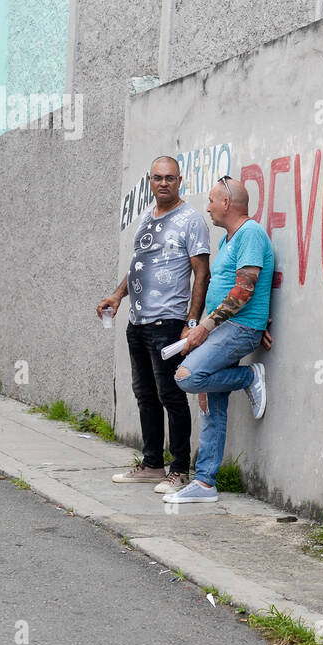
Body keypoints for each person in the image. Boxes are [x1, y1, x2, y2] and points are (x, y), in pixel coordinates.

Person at [98, 156, 210, 494]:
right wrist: (118, 297)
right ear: (150, 180)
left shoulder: (192, 220)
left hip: (168, 322)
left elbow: (201, 274)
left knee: (172, 395)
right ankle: (151, 464)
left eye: (170, 178)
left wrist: (191, 323)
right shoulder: (146, 217)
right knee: (145, 394)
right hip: (138, 322)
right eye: (158, 178)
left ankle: (178, 470)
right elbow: (138, 266)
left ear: (180, 181)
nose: (164, 183)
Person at [165, 175, 273, 504]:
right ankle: (205, 482)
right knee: (209, 401)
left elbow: (244, 290)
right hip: (223, 330)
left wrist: (203, 329)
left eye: (212, 200)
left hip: (238, 329)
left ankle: (248, 376)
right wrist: (204, 333)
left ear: (227, 204)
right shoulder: (228, 240)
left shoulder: (251, 234)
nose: (208, 207)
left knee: (188, 376)